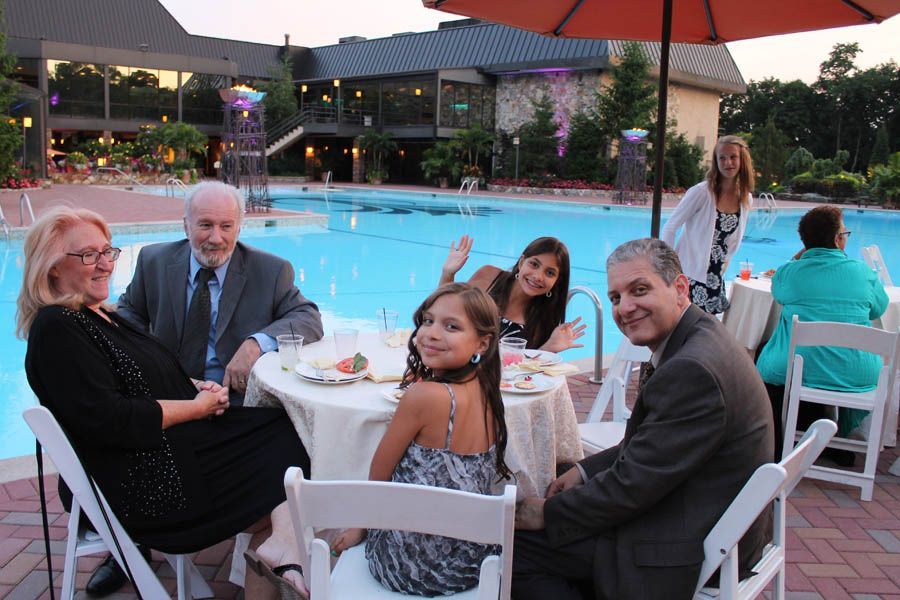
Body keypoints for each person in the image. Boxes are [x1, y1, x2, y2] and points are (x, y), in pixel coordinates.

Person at [16, 207, 310, 599]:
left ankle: (281, 548)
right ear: (51, 267)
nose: (104, 264)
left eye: (107, 252)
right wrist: (198, 407)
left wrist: (192, 386)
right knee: (290, 451)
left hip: (166, 450)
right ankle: (283, 548)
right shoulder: (57, 328)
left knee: (292, 427)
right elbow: (114, 417)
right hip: (150, 482)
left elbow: (133, 377)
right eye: (88, 255)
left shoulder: (93, 313)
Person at [511, 238, 774, 600]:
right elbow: (653, 444)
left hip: (688, 540)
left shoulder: (692, 369)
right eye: (616, 298)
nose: (625, 308)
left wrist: (550, 513)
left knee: (514, 548)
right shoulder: (698, 336)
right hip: (706, 507)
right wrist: (584, 471)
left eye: (639, 290)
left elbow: (633, 486)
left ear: (680, 288)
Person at [328, 283, 510, 596]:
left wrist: (361, 525)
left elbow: (379, 472)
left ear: (482, 343)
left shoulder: (423, 396)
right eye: (427, 321)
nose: (431, 333)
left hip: (411, 567)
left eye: (451, 326)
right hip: (471, 562)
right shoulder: (489, 390)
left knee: (331, 528)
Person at [117, 180, 323, 405]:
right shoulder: (153, 261)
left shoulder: (270, 271)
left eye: (226, 226)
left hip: (235, 401)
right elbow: (129, 312)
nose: (216, 238)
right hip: (167, 396)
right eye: (205, 225)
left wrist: (255, 344)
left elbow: (308, 317)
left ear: (239, 228)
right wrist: (147, 357)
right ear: (186, 226)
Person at [756, 205, 888, 459]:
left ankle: (776, 443)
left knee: (767, 356)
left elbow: (779, 293)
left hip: (800, 367)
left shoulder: (790, 273)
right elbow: (877, 309)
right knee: (822, 360)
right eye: (844, 232)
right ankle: (836, 441)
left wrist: (799, 257)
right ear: (838, 239)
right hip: (857, 371)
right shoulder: (863, 273)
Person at [439, 235, 585, 352]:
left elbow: (523, 371)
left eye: (550, 272)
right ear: (521, 262)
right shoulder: (489, 277)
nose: (538, 276)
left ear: (556, 281)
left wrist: (548, 349)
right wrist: (447, 273)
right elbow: (445, 313)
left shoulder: (544, 317)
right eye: (534, 264)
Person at [661, 135, 755, 314]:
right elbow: (671, 227)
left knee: (705, 333)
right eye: (722, 157)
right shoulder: (702, 193)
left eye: (733, 157)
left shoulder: (745, 198)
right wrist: (668, 267)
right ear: (716, 161)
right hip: (689, 275)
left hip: (715, 277)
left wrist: (724, 263)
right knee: (683, 328)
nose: (728, 162)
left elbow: (731, 242)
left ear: (742, 160)